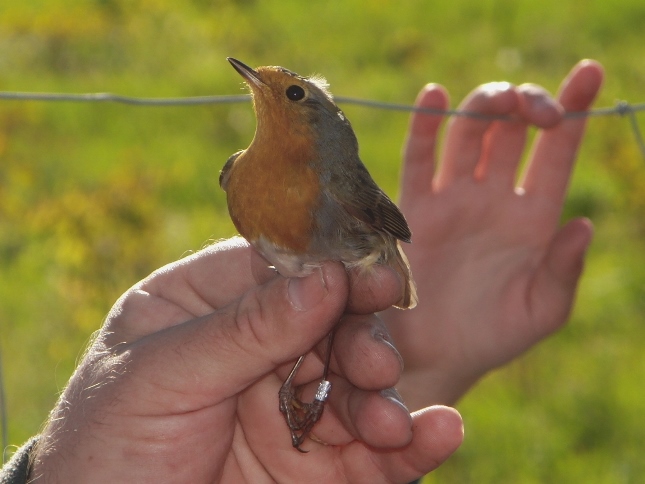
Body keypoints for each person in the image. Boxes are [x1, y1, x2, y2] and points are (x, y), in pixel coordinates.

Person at [1, 59, 603, 483]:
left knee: (318, 315)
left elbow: (391, 225)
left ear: (317, 123)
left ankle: (308, 387)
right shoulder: (242, 174)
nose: (268, 91)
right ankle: (301, 387)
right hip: (304, 289)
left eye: (293, 95)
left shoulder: (336, 183)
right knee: (309, 316)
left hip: (350, 262)